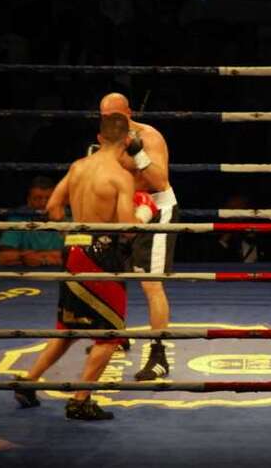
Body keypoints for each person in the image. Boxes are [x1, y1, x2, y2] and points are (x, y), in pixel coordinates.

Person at [14, 112, 152, 420]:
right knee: (111, 334)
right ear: (127, 142)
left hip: (72, 248)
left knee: (69, 327)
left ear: (99, 138)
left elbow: (53, 208)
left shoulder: (77, 167)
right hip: (100, 255)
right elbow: (128, 228)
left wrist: (74, 233)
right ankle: (80, 400)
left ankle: (27, 382)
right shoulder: (120, 177)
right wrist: (144, 212)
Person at [99, 92, 178, 382]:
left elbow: (160, 181)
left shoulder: (150, 137)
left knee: (151, 284)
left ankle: (159, 356)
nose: (111, 121)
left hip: (156, 208)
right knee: (111, 274)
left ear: (129, 113)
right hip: (124, 210)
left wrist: (136, 151)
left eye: (116, 116)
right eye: (105, 117)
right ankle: (117, 333)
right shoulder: (105, 139)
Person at [0, 176, 64, 266]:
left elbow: (75, 256)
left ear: (56, 199)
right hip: (26, 274)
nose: (43, 203)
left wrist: (38, 258)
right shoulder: (18, 217)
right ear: (29, 200)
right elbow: (2, 257)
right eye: (37, 198)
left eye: (49, 198)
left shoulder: (67, 217)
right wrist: (25, 258)